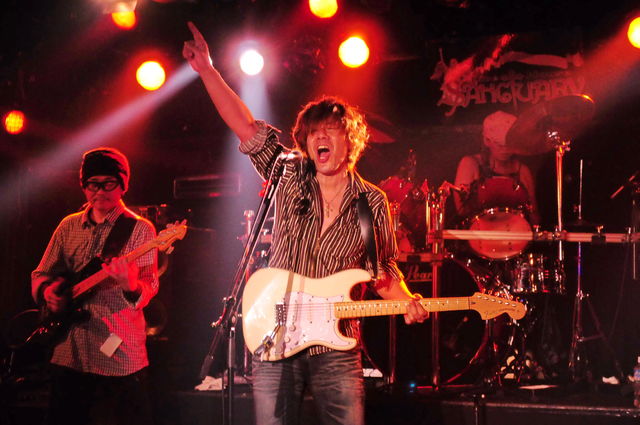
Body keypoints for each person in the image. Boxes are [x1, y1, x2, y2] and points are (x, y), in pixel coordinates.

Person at [183, 21, 428, 425]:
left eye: (330, 131)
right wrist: (208, 70)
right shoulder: (289, 174)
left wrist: (407, 302)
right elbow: (245, 126)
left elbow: (381, 271)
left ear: (351, 142)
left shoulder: (370, 202)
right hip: (275, 332)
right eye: (313, 133)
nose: (320, 138)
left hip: (336, 346)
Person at [31, 147, 159, 425]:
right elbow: (41, 273)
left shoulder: (140, 229)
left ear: (123, 185)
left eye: (108, 183)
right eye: (92, 184)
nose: (99, 191)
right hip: (69, 351)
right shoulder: (68, 226)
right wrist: (47, 292)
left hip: (118, 355)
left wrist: (130, 284)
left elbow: (149, 287)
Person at [454, 110, 540, 224]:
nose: (505, 150)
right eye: (500, 145)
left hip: (516, 231)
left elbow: (534, 216)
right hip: (479, 231)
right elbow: (462, 210)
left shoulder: (522, 170)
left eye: (509, 145)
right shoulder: (471, 164)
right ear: (486, 141)